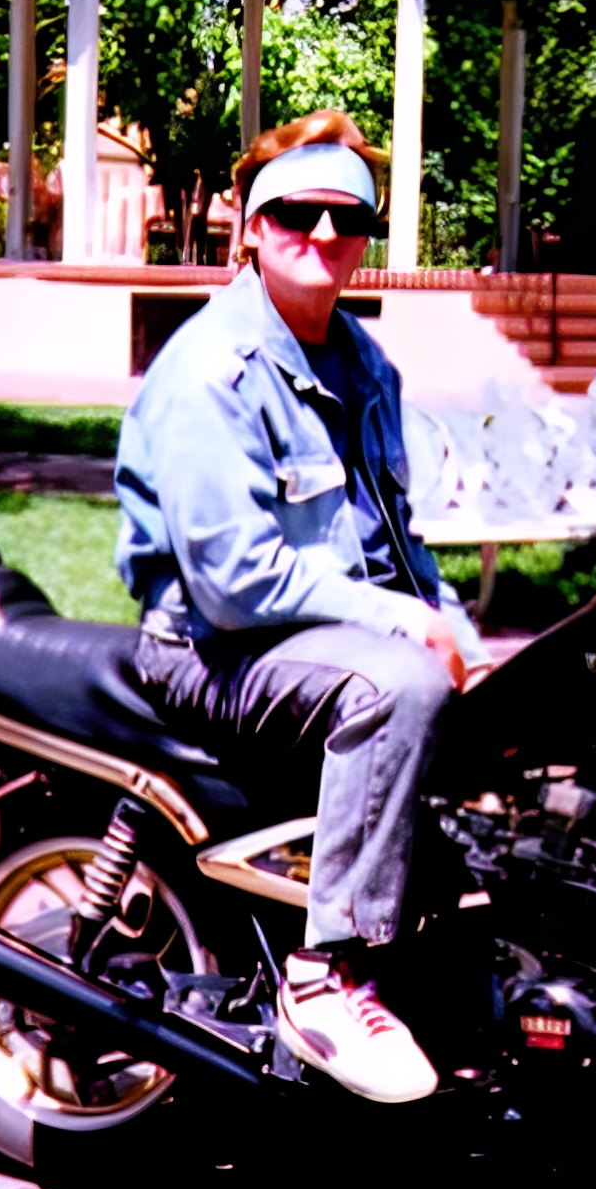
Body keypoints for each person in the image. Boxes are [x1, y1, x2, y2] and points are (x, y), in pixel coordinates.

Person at [114, 110, 488, 1103]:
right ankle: (328, 975)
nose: (321, 236)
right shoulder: (213, 369)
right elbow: (235, 584)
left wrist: (454, 621)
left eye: (345, 218)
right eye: (293, 213)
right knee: (401, 684)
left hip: (309, 639)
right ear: (247, 225)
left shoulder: (366, 366)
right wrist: (406, 628)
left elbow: (395, 541)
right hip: (210, 646)